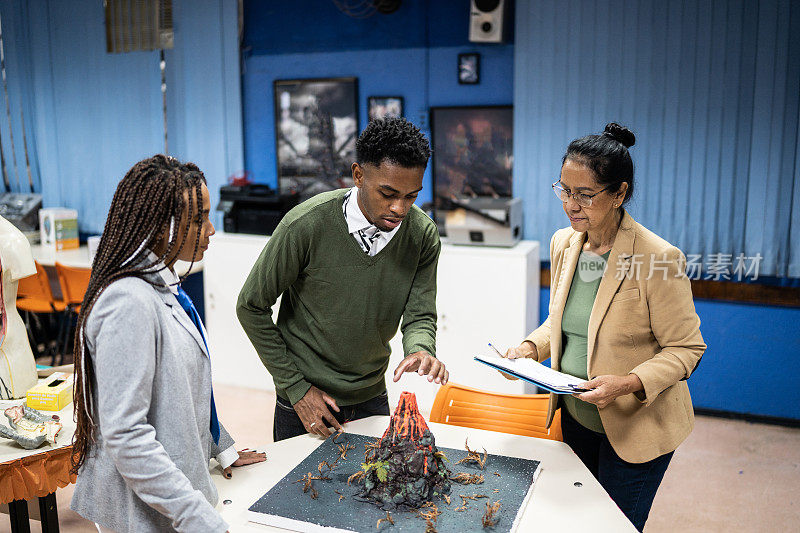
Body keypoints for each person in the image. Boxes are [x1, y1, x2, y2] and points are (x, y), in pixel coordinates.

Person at [503, 123, 705, 531]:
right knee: (573, 521)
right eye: (564, 190)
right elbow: (561, 325)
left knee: (612, 525)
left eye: (585, 195)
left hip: (635, 428)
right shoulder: (566, 243)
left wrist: (628, 383)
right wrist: (529, 347)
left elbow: (686, 350)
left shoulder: (658, 257)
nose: (571, 205)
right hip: (576, 417)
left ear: (619, 194)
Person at [70, 155, 265, 532]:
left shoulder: (164, 283)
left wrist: (219, 446)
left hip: (177, 494)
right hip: (145, 509)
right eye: (198, 218)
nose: (210, 229)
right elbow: (126, 435)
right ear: (162, 226)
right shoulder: (128, 301)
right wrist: (197, 517)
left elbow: (181, 392)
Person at [237, 117, 448, 442]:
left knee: (373, 489)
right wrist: (295, 388)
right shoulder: (305, 225)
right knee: (299, 493)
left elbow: (419, 314)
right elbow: (251, 306)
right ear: (358, 175)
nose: (400, 208)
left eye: (411, 196)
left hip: (371, 394)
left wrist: (421, 348)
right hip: (306, 398)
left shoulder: (422, 235)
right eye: (388, 193)